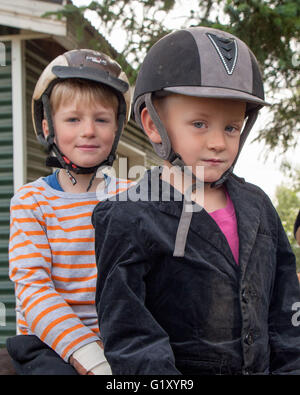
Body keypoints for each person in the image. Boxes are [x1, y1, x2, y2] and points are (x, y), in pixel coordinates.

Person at [92, 27, 300, 375]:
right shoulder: (129, 215)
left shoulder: (259, 207)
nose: (218, 142)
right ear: (154, 125)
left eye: (231, 128)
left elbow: (286, 311)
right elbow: (131, 336)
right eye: (200, 123)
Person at [7, 49, 132, 375]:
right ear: (48, 126)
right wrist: (88, 355)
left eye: (101, 119)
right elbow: (33, 289)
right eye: (73, 119)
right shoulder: (32, 201)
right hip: (47, 339)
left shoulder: (131, 197)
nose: (88, 130)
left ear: (117, 128)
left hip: (118, 335)